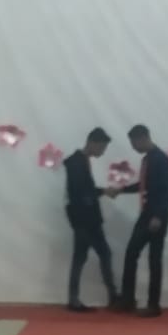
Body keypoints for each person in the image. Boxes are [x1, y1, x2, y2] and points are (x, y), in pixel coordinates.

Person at [117, 124, 168, 318]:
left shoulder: (161, 160)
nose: (133, 148)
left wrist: (157, 216)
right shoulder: (148, 159)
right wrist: (121, 190)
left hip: (156, 215)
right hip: (147, 213)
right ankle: (129, 300)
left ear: (142, 138)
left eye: (134, 144)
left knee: (152, 259)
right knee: (134, 254)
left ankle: (152, 304)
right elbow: (144, 185)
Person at [62, 127, 118, 313]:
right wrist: (104, 191)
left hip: (85, 219)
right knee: (99, 254)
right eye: (102, 147)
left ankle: (75, 299)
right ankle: (111, 295)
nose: (102, 152)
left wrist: (100, 192)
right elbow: (80, 192)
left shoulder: (80, 161)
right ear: (92, 143)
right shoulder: (76, 163)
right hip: (85, 220)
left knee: (82, 257)